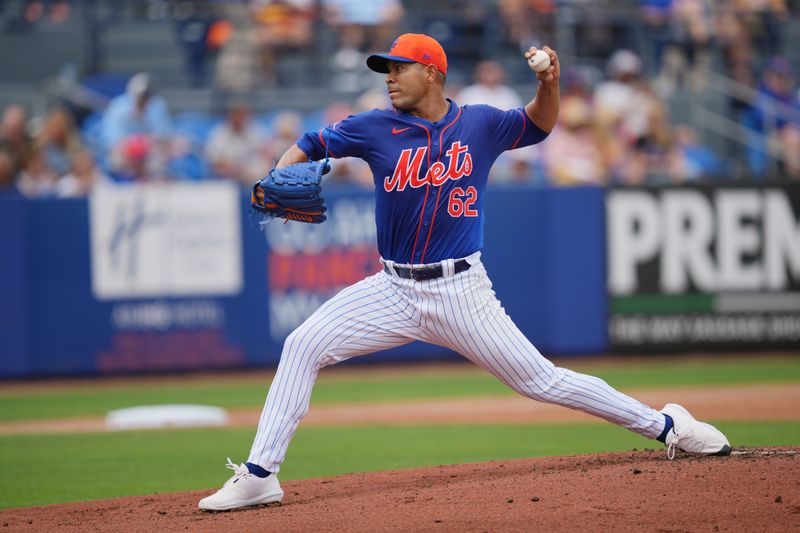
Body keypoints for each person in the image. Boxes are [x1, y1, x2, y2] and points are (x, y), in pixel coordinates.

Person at [198, 33, 731, 512]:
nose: (388, 78)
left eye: (398, 68)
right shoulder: (373, 126)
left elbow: (540, 123)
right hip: (392, 288)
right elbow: (315, 142)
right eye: (385, 68)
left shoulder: (479, 122)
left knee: (542, 380)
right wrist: (279, 171)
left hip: (460, 291)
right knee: (302, 344)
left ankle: (668, 426)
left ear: (431, 72)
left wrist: (551, 81)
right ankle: (260, 477)